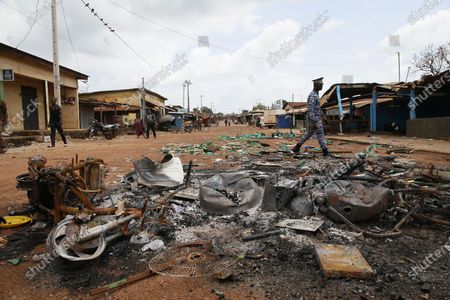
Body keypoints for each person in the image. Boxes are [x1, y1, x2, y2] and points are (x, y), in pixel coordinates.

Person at [292, 77, 330, 157]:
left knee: (308, 133)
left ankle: (297, 147)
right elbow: (310, 109)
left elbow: (318, 108)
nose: (322, 86)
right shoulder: (312, 95)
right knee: (320, 135)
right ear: (316, 85)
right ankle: (325, 152)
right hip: (314, 119)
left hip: (314, 118)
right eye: (321, 84)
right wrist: (316, 120)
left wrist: (323, 116)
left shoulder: (316, 94)